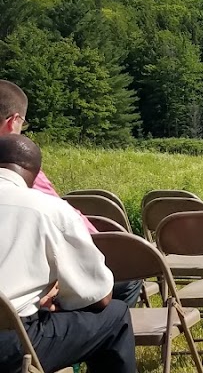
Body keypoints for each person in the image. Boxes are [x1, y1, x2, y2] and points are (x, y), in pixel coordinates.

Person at [0, 134, 137, 372]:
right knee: (115, 314)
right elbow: (99, 296)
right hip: (10, 346)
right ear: (34, 175)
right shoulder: (48, 209)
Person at [0, 80, 141, 307]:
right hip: (20, 295)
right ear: (13, 121)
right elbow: (60, 217)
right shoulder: (17, 165)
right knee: (125, 283)